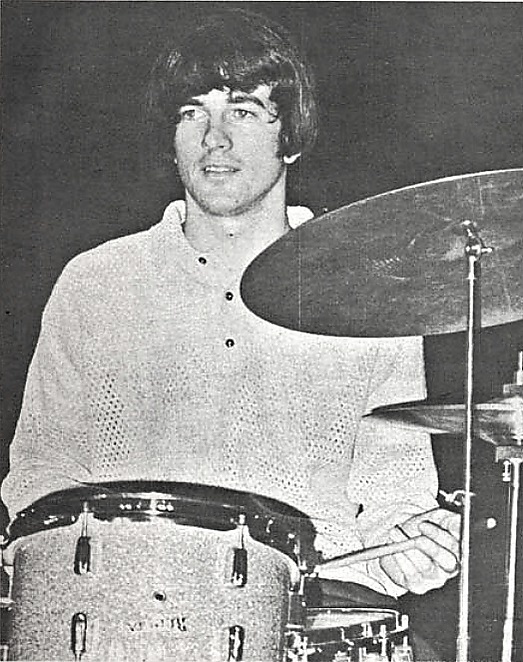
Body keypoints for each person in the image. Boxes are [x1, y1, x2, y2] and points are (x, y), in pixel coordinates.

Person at [2, 8, 459, 604]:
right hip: (126, 599)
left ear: (290, 137)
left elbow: (394, 491)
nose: (213, 138)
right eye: (192, 112)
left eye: (243, 111)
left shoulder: (369, 295)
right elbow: (43, 473)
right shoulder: (96, 284)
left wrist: (409, 543)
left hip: (311, 604)